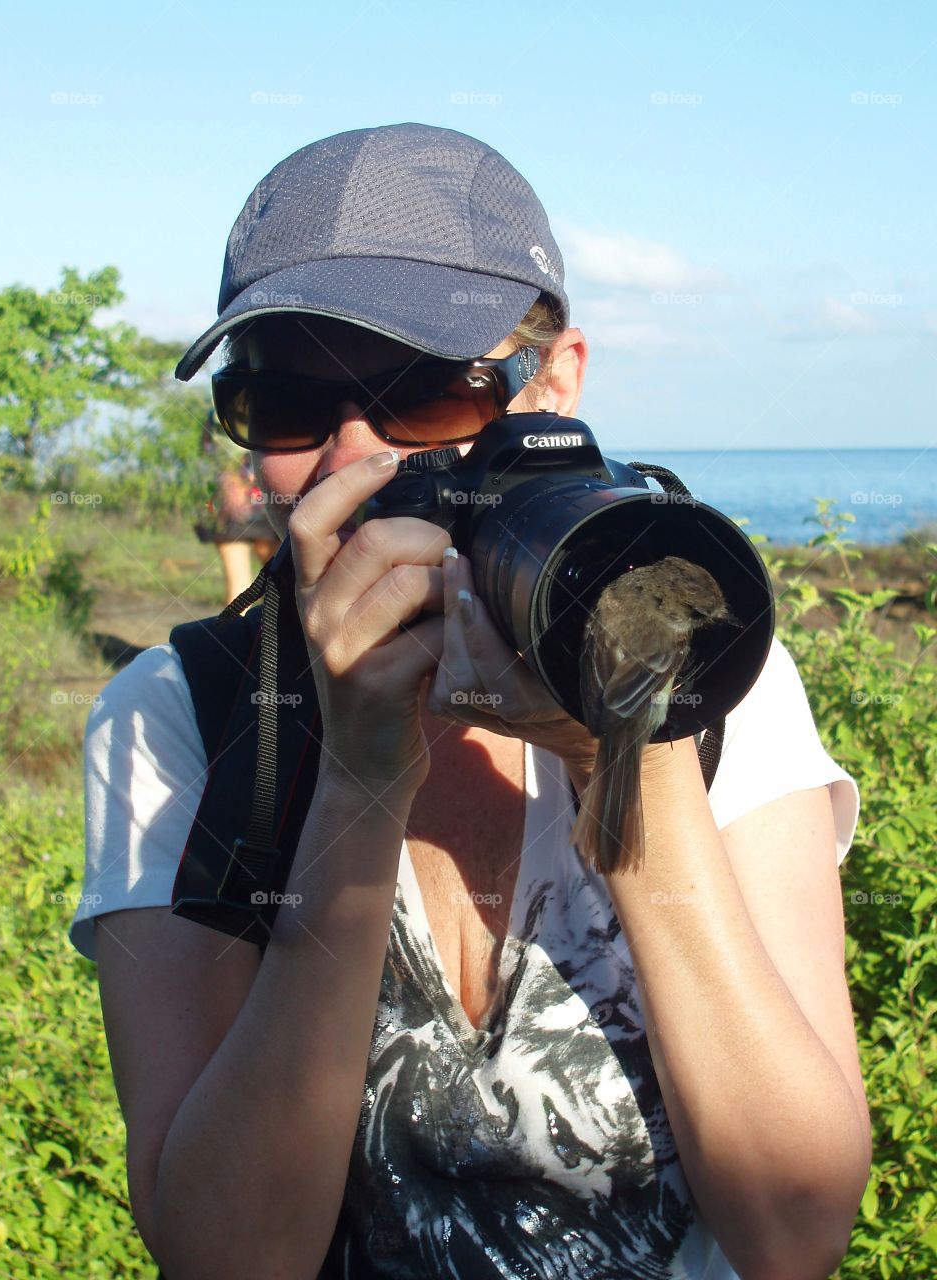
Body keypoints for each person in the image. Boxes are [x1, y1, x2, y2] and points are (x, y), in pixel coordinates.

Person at [71, 123, 871, 1280]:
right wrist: (357, 781)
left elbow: (794, 1232)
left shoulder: (713, 680)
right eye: (285, 403)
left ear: (558, 382)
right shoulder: (181, 715)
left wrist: (626, 757)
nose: (355, 460)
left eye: (429, 391)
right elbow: (229, 1254)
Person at [194, 410, 279, 604]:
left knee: (239, 586)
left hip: (227, 503)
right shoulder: (270, 404)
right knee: (279, 582)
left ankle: (242, 624)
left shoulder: (217, 410)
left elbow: (207, 451)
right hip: (262, 500)